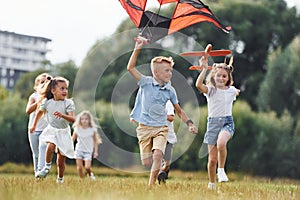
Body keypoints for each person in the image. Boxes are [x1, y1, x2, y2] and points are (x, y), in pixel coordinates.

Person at [127, 36, 198, 188]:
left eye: (171, 71)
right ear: (156, 73)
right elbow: (130, 68)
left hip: (161, 127)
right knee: (147, 162)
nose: (170, 73)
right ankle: (155, 171)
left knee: (158, 154)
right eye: (167, 71)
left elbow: (179, 111)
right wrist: (137, 47)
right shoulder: (145, 82)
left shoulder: (170, 90)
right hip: (144, 127)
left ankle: (150, 186)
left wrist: (190, 123)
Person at [195, 55, 240, 190]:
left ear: (228, 78)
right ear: (213, 76)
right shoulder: (211, 90)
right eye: (218, 76)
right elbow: (198, 85)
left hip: (227, 122)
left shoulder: (231, 90)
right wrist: (204, 69)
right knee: (212, 160)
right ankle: (212, 184)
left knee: (221, 143)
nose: (221, 78)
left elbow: (236, 91)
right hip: (212, 124)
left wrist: (237, 92)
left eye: (224, 76)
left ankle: (221, 170)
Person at [30, 76, 76, 184]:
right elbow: (39, 113)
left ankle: (60, 179)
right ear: (53, 91)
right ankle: (46, 168)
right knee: (50, 146)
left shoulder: (68, 103)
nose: (65, 91)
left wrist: (63, 116)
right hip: (52, 129)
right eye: (62, 88)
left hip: (63, 132)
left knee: (60, 161)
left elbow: (73, 119)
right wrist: (34, 125)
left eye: (66, 89)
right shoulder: (47, 102)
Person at [26, 73, 52, 177]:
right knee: (36, 154)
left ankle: (41, 172)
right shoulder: (34, 96)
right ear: (36, 86)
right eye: (42, 82)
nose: (45, 83)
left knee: (43, 149)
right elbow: (28, 111)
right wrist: (40, 101)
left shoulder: (52, 97)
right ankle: (37, 174)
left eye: (47, 82)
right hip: (33, 129)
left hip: (46, 130)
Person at [72, 110, 102, 180]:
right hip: (78, 150)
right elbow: (72, 139)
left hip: (88, 151)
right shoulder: (77, 129)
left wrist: (96, 152)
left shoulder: (92, 130)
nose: (84, 121)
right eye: (82, 119)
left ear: (89, 120)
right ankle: (82, 180)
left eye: (86, 119)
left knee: (87, 167)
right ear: (80, 120)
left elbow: (95, 141)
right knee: (79, 168)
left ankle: (90, 174)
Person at [157, 100, 177, 184]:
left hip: (168, 137)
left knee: (167, 163)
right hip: (157, 135)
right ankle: (159, 175)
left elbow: (171, 118)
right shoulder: (152, 101)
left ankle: (163, 174)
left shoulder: (168, 103)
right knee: (157, 157)